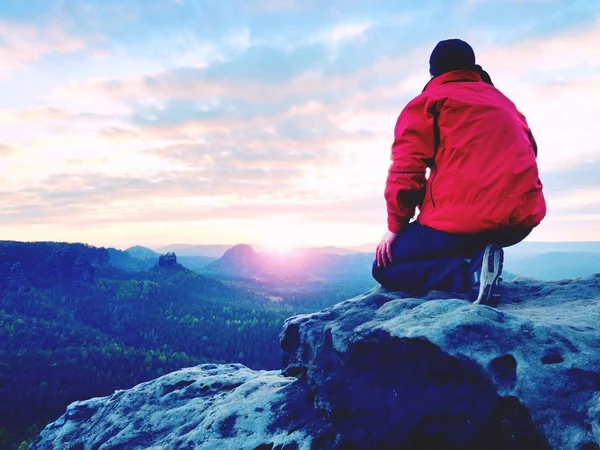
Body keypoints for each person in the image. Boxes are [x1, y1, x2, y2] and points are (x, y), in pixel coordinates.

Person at [372, 39, 546, 305]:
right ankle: (480, 257)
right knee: (467, 232)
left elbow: (406, 170)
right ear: (473, 67)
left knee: (384, 266)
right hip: (519, 223)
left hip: (461, 225)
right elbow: (530, 151)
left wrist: (396, 226)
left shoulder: (428, 102)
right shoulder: (505, 103)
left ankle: (471, 273)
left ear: (433, 72)